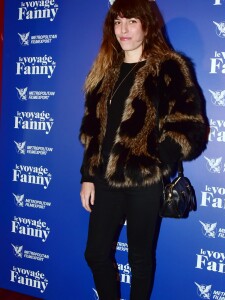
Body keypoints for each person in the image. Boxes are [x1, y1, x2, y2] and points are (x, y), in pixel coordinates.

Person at [79, 0, 208, 299]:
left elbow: (189, 124)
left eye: (132, 21)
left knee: (139, 259)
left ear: (147, 25)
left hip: (144, 183)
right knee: (95, 254)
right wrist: (88, 175)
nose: (123, 29)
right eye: (117, 22)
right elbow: (93, 130)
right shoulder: (105, 71)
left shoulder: (169, 66)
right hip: (106, 180)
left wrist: (155, 163)